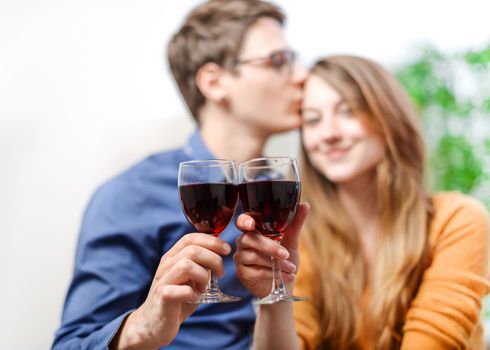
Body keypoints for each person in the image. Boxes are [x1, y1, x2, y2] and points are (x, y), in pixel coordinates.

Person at [52, 0, 306, 349]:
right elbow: (69, 344)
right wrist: (143, 325)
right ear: (214, 82)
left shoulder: (289, 194)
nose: (301, 75)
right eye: (278, 61)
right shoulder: (132, 195)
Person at [234, 54, 490, 349]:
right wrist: (275, 295)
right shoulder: (302, 238)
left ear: (387, 118)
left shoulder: (457, 220)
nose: (328, 134)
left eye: (347, 111)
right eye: (313, 120)